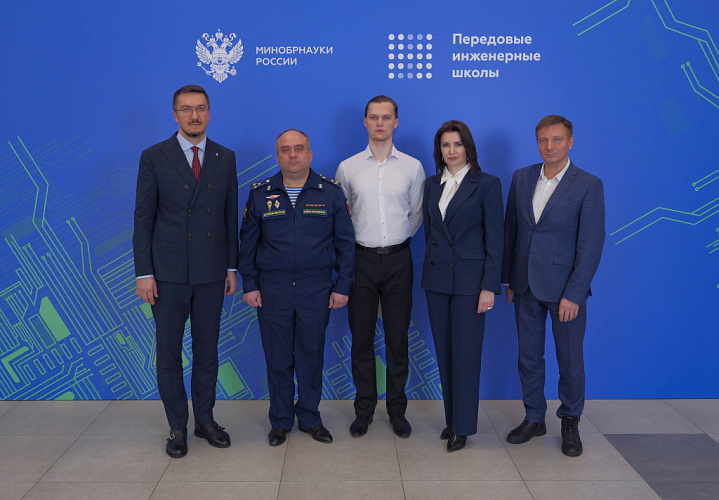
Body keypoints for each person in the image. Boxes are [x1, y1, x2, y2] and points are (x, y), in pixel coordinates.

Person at [133, 84, 238, 458]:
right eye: (187, 109)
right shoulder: (154, 156)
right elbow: (143, 218)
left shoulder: (225, 157)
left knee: (207, 352)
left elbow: (229, 216)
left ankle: (205, 420)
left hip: (211, 271)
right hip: (167, 273)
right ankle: (177, 426)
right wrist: (143, 272)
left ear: (209, 112)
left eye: (201, 108)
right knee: (168, 354)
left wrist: (231, 266)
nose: (195, 115)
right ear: (175, 114)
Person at [239, 129, 355, 447]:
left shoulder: (330, 192)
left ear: (310, 154)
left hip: (316, 288)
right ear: (277, 156)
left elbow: (346, 244)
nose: (293, 155)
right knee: (277, 358)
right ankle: (280, 421)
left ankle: (310, 417)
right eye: (286, 149)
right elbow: (247, 244)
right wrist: (250, 284)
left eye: (299, 148)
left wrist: (343, 285)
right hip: (272, 288)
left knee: (310, 355)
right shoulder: (260, 193)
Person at [502, 115, 605, 457]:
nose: (550, 146)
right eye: (543, 140)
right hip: (524, 285)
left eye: (557, 140)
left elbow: (591, 244)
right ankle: (534, 417)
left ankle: (570, 421)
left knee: (569, 359)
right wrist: (509, 278)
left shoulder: (588, 184)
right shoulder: (522, 177)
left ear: (570, 142)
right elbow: (511, 231)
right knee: (529, 357)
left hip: (565, 290)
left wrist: (574, 293)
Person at [335, 95, 425, 439]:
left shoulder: (413, 167)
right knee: (361, 339)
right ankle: (364, 411)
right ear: (365, 122)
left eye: (386, 117)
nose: (380, 123)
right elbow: (343, 217)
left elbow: (415, 215)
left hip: (400, 259)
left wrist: (396, 242)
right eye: (373, 117)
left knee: (397, 339)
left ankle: (397, 411)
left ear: (396, 122)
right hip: (361, 260)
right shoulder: (348, 168)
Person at [421, 120, 504, 452]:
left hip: (471, 282)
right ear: (439, 150)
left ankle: (464, 426)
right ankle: (452, 419)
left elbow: (495, 240)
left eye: (457, 144)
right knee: (445, 353)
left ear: (468, 148)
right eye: (445, 145)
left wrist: (489, 286)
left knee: (466, 355)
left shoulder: (487, 184)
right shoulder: (431, 184)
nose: (452, 151)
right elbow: (430, 234)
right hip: (437, 280)